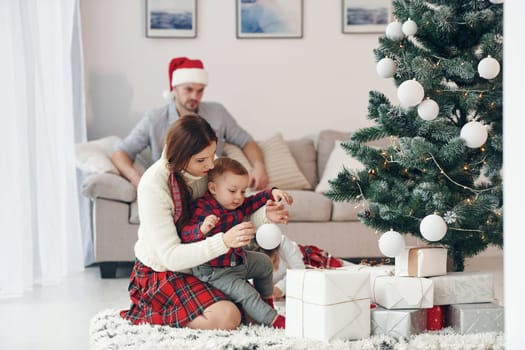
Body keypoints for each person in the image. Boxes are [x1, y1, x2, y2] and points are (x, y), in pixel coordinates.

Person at [119, 115, 289, 330]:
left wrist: (265, 216)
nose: (210, 165)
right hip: (164, 271)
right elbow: (171, 257)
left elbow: (231, 213)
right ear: (179, 157)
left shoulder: (208, 168)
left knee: (252, 310)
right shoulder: (153, 185)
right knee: (229, 316)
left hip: (209, 264)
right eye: (202, 160)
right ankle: (153, 313)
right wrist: (224, 242)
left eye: (212, 155)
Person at [112, 56, 269, 189]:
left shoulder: (217, 112)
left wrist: (259, 167)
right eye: (188, 89)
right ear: (174, 88)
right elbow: (120, 153)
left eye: (200, 90)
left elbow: (246, 141)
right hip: (171, 187)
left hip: (211, 187)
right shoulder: (154, 119)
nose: (195, 96)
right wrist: (137, 180)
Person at [180, 157, 292, 328]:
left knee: (264, 264)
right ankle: (274, 321)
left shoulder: (237, 204)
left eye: (243, 191)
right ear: (213, 188)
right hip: (214, 271)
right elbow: (185, 234)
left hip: (237, 260)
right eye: (233, 191)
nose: (239, 197)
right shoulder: (202, 208)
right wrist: (201, 229)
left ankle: (266, 303)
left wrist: (272, 193)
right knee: (247, 294)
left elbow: (255, 200)